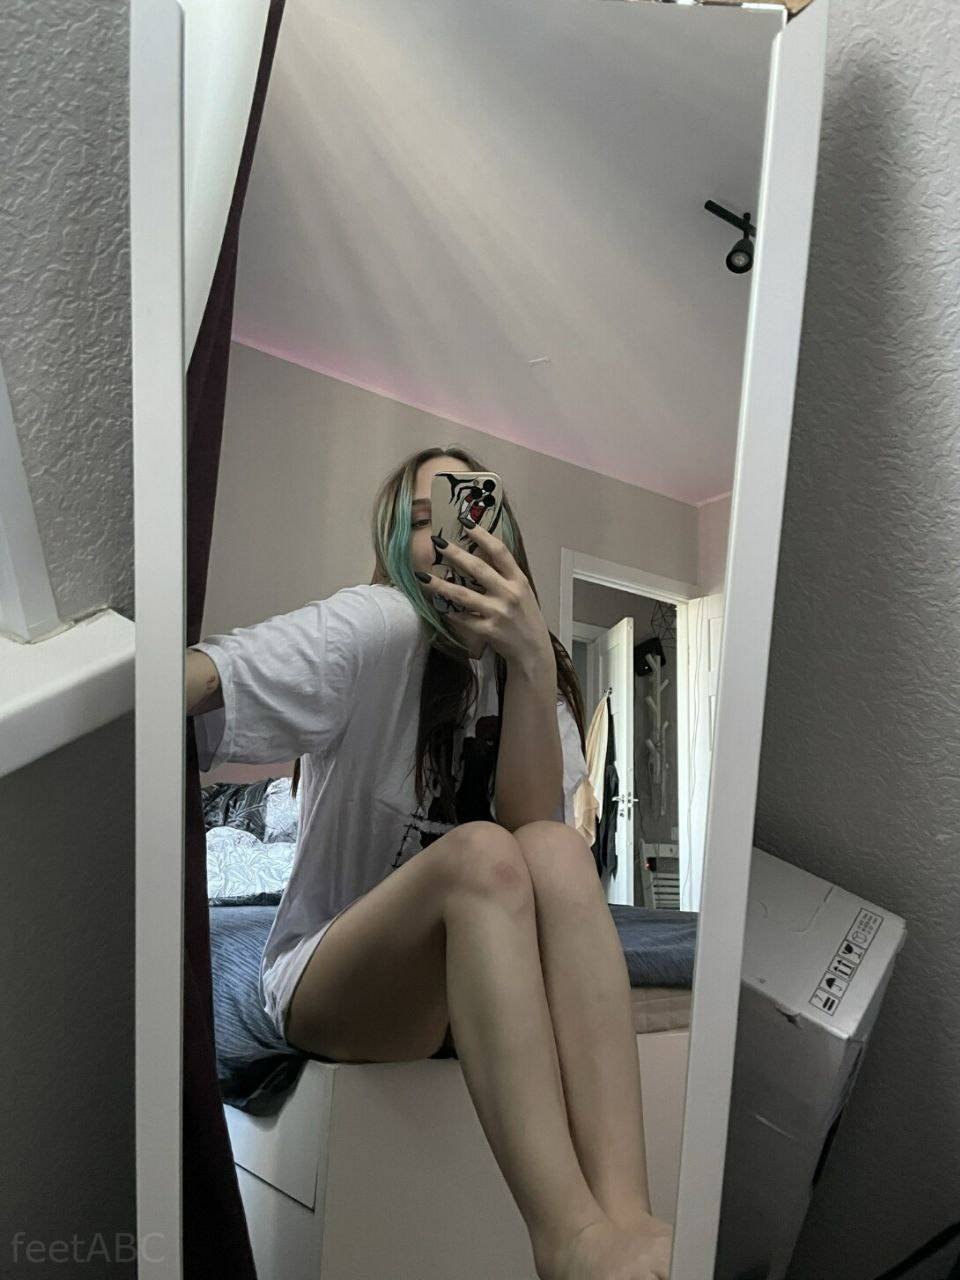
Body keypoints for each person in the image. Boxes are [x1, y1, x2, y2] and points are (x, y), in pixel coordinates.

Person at [185, 444, 672, 1280]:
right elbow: (207, 678)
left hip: (472, 978)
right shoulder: (378, 627)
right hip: (335, 977)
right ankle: (566, 1236)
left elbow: (534, 834)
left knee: (553, 849)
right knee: (479, 855)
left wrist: (528, 661)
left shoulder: (533, 667)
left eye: (473, 511)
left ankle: (626, 1219)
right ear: (392, 546)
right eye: (423, 520)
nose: (451, 534)